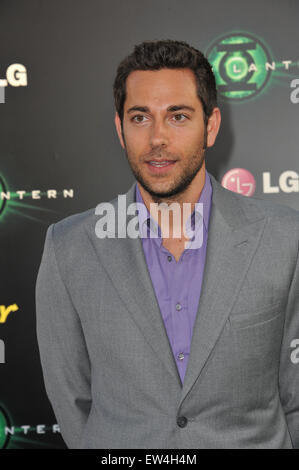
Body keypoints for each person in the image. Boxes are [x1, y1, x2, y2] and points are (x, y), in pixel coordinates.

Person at [35, 39, 299, 449]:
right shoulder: (69, 248)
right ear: (120, 129)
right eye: (140, 117)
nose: (157, 138)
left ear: (210, 126)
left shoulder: (285, 239)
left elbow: (295, 398)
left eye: (178, 116)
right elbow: (72, 400)